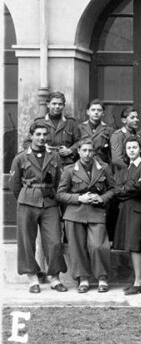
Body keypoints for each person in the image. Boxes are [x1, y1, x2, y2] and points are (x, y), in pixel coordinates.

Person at [10, 123, 68, 293]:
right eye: (38, 134)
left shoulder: (55, 156)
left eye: (44, 134)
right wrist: (26, 196)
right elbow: (14, 184)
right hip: (27, 202)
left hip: (49, 202)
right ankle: (32, 277)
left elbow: (59, 181)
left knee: (55, 241)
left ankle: (55, 278)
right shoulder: (20, 158)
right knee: (26, 241)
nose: (42, 138)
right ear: (31, 135)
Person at [56, 139, 115, 293]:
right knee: (77, 248)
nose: (87, 154)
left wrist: (101, 198)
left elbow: (113, 189)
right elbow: (60, 194)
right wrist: (78, 198)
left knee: (98, 245)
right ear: (79, 152)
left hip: (96, 211)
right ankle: (83, 279)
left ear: (94, 152)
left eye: (90, 151)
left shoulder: (104, 167)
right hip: (74, 213)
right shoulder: (69, 170)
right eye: (84, 151)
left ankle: (102, 277)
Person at [113, 137, 141, 295]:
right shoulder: (125, 169)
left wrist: (125, 187)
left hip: (138, 209)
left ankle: (139, 282)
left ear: (140, 149)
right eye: (128, 147)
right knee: (130, 246)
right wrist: (127, 187)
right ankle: (137, 279)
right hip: (126, 209)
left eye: (134, 147)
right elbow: (116, 190)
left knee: (135, 245)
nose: (131, 150)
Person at [23, 91, 79, 166]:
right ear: (48, 105)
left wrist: (70, 150)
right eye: (54, 104)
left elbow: (80, 142)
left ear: (63, 106)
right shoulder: (39, 122)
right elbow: (27, 143)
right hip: (44, 163)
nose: (57, 106)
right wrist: (41, 148)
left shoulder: (70, 122)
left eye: (60, 104)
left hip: (65, 164)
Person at [78, 99, 113, 165]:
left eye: (99, 110)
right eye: (93, 110)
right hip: (84, 162)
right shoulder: (80, 127)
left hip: (101, 163)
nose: (96, 112)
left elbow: (111, 152)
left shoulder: (108, 130)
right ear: (88, 112)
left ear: (103, 113)